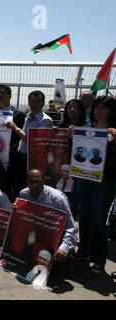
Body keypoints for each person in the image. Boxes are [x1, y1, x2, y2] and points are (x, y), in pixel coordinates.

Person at [71, 96, 116, 276]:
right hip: (84, 178)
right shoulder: (86, 128)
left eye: (103, 108)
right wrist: (71, 137)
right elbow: (76, 152)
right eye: (97, 107)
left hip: (105, 181)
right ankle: (84, 251)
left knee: (99, 219)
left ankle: (98, 260)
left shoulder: (113, 131)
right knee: (85, 216)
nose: (98, 111)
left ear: (111, 111)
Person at [18, 169, 78, 264]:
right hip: (35, 235)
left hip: (53, 237)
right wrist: (17, 212)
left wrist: (64, 248)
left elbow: (70, 227)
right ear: (27, 182)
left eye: (38, 182)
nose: (34, 185)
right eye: (31, 182)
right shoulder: (23, 194)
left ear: (44, 181)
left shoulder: (57, 199)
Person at [7, 91, 53, 197]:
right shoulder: (28, 116)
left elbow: (33, 142)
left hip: (32, 159)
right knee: (18, 185)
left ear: (43, 103)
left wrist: (15, 128)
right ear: (28, 103)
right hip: (20, 157)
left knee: (29, 188)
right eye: (32, 101)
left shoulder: (46, 120)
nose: (34, 104)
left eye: (37, 102)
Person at [0, 85, 26, 201]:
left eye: (2, 93)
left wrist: (13, 147)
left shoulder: (19, 115)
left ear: (10, 96)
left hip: (13, 160)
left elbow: (22, 136)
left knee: (12, 191)